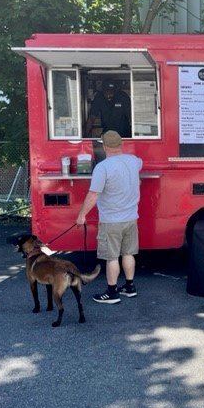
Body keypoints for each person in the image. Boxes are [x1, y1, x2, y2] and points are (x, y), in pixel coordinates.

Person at [76, 130, 143, 304]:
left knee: (111, 257)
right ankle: (129, 287)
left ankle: (112, 293)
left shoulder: (103, 167)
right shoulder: (133, 161)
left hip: (111, 220)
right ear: (121, 144)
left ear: (104, 147)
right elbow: (140, 164)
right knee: (129, 253)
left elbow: (93, 194)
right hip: (131, 218)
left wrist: (81, 215)